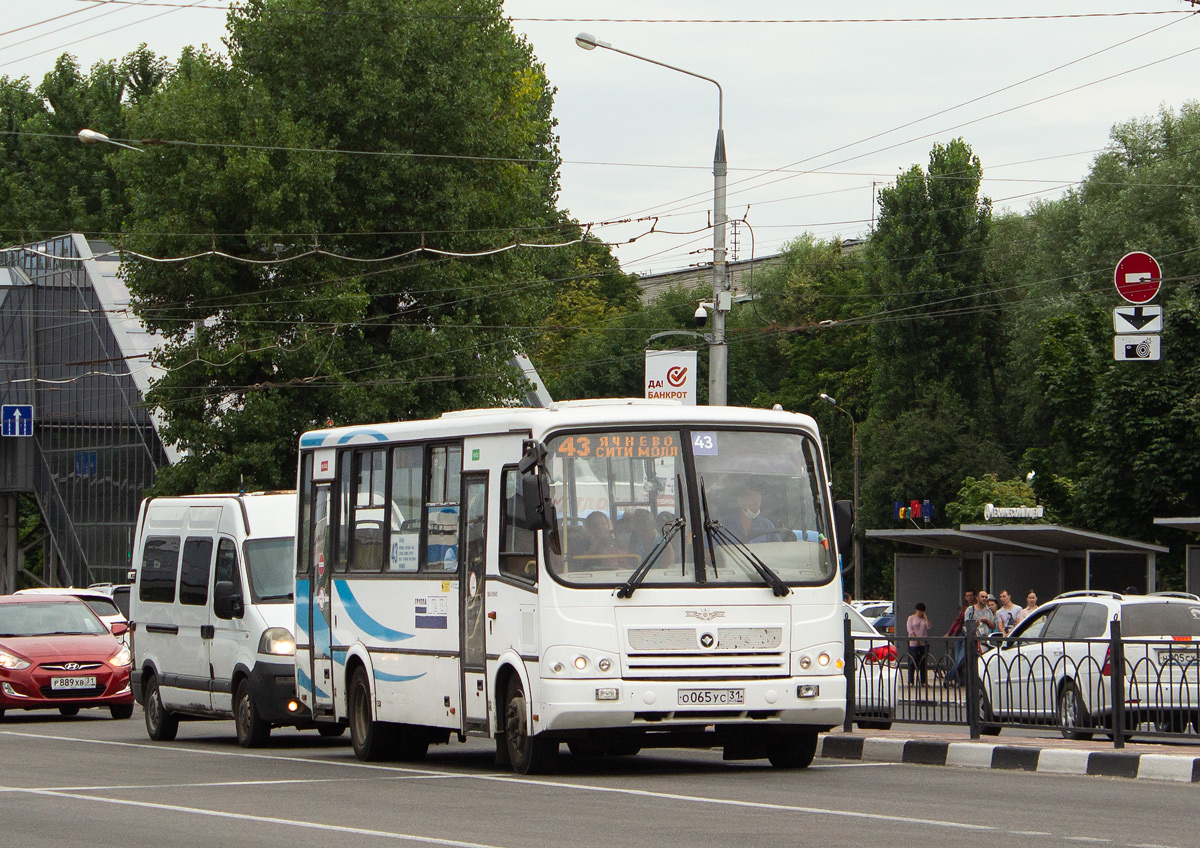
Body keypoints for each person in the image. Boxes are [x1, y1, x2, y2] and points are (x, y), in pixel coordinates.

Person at [943, 590, 975, 687]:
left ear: (974, 597)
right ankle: (960, 681)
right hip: (960, 633)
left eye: (971, 595)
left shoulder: (975, 608)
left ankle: (948, 677)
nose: (969, 597)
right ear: (965, 597)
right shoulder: (965, 608)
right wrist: (949, 632)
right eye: (967, 596)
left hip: (968, 634)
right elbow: (958, 621)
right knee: (958, 659)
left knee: (961, 659)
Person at [906, 603, 931, 686]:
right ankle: (910, 681)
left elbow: (928, 627)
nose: (920, 613)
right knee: (913, 662)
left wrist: (926, 618)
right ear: (916, 610)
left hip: (923, 642)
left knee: (923, 662)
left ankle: (923, 681)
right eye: (919, 611)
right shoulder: (911, 618)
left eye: (922, 611)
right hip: (913, 643)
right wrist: (915, 638)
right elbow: (910, 629)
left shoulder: (924, 619)